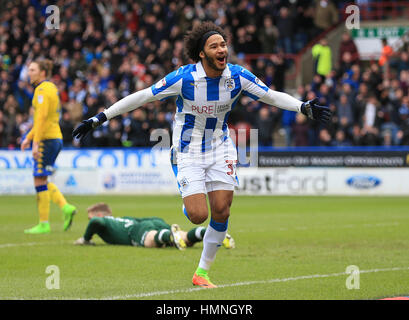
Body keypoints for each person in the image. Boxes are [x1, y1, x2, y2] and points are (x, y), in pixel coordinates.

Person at [73, 21, 331, 288]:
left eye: (223, 44)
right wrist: (100, 117)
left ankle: (202, 273)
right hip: (187, 151)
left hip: (220, 147)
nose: (222, 49)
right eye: (214, 46)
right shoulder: (183, 78)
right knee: (198, 215)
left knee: (222, 210)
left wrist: (302, 107)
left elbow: (270, 95)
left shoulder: (237, 76)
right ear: (202, 53)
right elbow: (142, 97)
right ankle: (186, 191)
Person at [20, 59, 77, 234]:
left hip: (46, 140)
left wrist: (35, 143)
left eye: (32, 69)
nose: (29, 72)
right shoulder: (52, 88)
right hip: (54, 138)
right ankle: (65, 207)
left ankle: (44, 223)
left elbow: (41, 119)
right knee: (43, 178)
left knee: (39, 179)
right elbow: (44, 119)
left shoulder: (42, 90)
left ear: (42, 72)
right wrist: (28, 138)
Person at [74, 202, 235, 250]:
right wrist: (162, 224)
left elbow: (96, 222)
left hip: (137, 232)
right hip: (150, 222)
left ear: (101, 215)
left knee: (152, 241)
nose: (90, 221)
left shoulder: (105, 222)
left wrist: (85, 239)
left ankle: (172, 236)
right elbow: (145, 219)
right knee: (184, 238)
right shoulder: (123, 219)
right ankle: (210, 233)